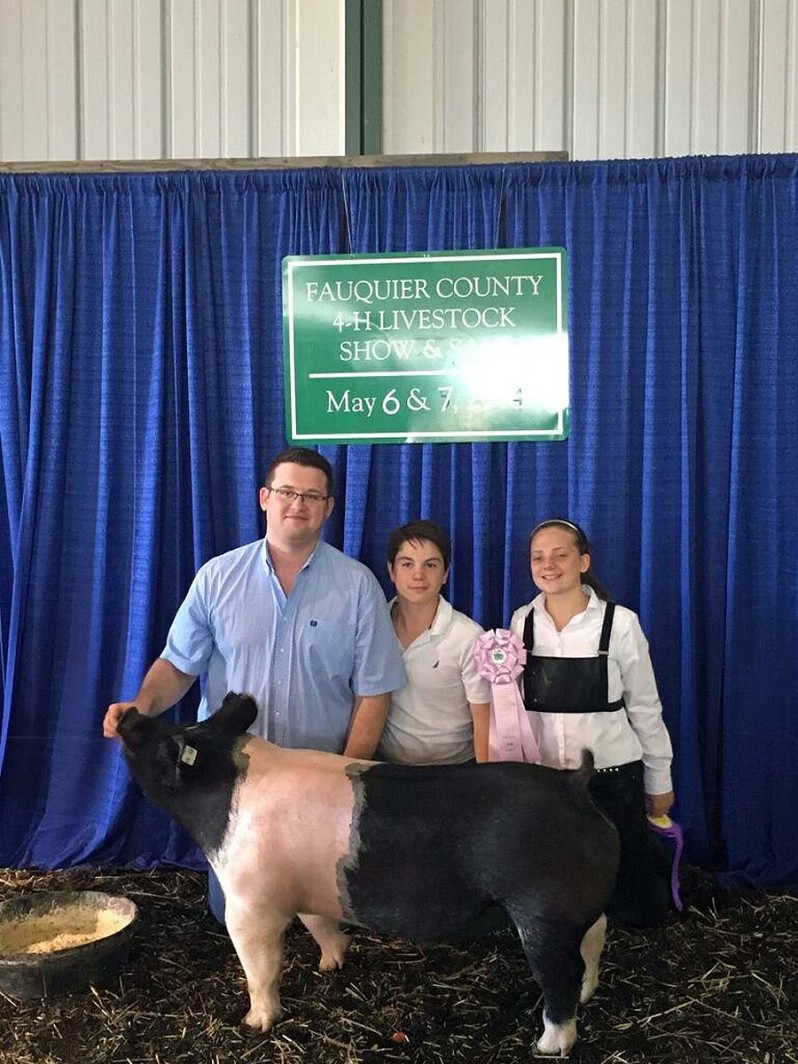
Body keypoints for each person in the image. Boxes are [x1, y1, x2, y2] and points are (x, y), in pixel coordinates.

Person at [104, 446, 406, 920]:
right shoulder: (217, 578)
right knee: (234, 915)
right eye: (287, 491)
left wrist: (343, 778)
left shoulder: (358, 586)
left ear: (328, 507)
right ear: (265, 498)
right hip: (231, 782)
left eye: (312, 495)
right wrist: (141, 705)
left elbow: (375, 693)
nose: (298, 504)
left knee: (325, 917)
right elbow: (178, 666)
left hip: (317, 779)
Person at [510, 518, 675, 927]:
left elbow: (646, 708)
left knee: (638, 909)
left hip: (613, 778)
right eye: (538, 557)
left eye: (560, 555)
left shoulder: (621, 624)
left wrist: (660, 781)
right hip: (547, 781)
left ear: (583, 561)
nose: (548, 565)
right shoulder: (521, 622)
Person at [379, 520, 490, 765]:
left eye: (430, 565)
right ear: (391, 571)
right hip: (387, 770)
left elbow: (484, 720)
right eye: (407, 564)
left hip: (454, 772)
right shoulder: (373, 627)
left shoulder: (468, 636)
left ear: (445, 574)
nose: (418, 575)